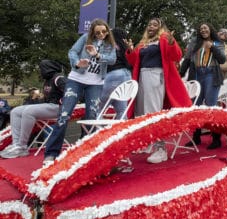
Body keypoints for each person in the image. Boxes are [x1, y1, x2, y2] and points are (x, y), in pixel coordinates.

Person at [44, 19, 117, 163]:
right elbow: (72, 51)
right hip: (76, 79)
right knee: (64, 115)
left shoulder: (109, 45)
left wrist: (97, 55)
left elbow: (112, 59)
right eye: (97, 32)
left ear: (108, 31)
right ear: (92, 32)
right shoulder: (85, 38)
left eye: (104, 31)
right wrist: (77, 63)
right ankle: (51, 153)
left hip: (96, 83)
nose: (101, 34)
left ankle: (84, 149)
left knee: (91, 116)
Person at [126, 18, 191, 164]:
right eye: (149, 24)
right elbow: (133, 61)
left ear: (161, 28)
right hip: (141, 77)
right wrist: (130, 50)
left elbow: (176, 56)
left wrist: (171, 42)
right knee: (141, 111)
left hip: (156, 77)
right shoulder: (143, 43)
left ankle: (161, 149)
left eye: (155, 25)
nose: (151, 27)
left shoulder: (163, 39)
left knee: (153, 112)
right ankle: (148, 142)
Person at [0, 60, 66, 159]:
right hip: (48, 106)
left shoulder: (59, 78)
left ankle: (22, 146)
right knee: (15, 111)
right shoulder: (47, 81)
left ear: (48, 68)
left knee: (28, 112)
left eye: (41, 69)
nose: (40, 71)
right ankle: (16, 144)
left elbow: (71, 93)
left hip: (59, 108)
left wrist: (62, 102)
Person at [180, 22, 226, 150]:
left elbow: (222, 60)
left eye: (206, 28)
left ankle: (216, 138)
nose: (203, 30)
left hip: (211, 74)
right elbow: (187, 59)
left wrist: (212, 47)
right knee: (196, 106)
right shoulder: (195, 42)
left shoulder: (217, 43)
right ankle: (196, 137)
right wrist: (181, 74)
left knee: (211, 105)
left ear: (211, 29)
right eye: (201, 29)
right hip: (197, 74)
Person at [96, 28, 132, 120]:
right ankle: (121, 133)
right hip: (127, 76)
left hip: (113, 74)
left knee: (97, 107)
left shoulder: (108, 45)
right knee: (121, 110)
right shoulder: (125, 47)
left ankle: (97, 132)